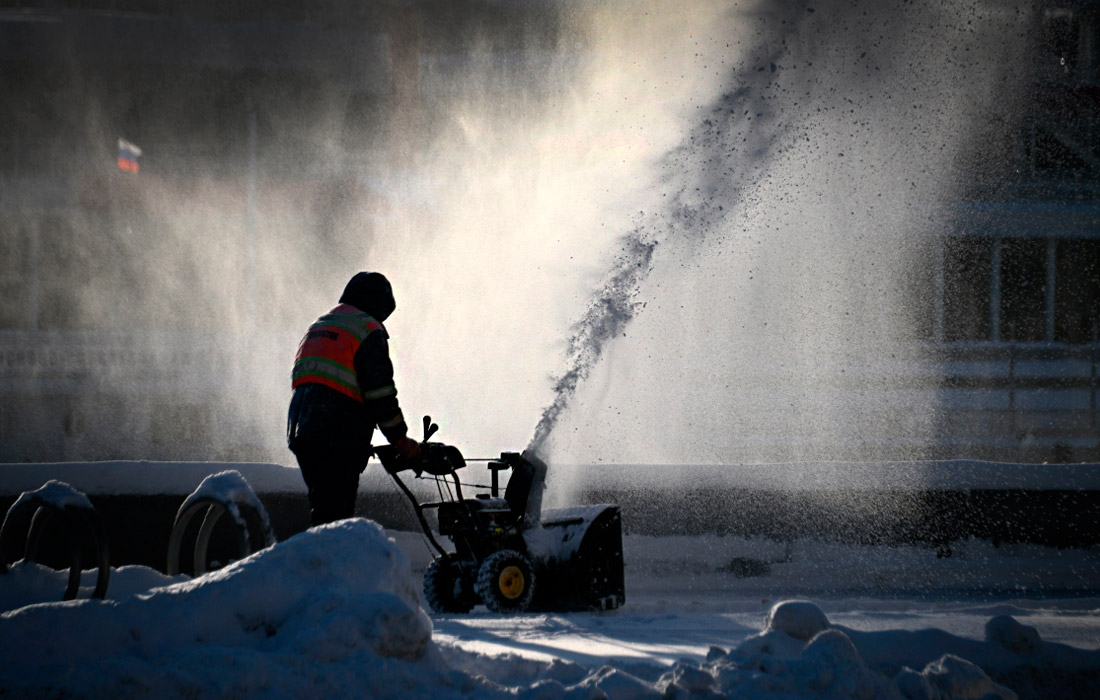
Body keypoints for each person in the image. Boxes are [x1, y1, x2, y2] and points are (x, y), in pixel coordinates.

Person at [287, 271, 420, 525]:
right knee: (336, 515)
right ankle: (329, 550)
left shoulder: (321, 325)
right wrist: (400, 440)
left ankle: (318, 547)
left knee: (324, 509)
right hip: (336, 434)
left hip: (302, 430)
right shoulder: (368, 329)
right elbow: (380, 393)